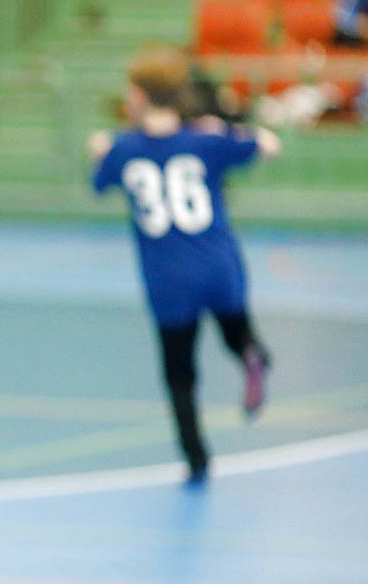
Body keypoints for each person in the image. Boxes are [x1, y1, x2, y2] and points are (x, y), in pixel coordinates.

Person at [90, 46, 280, 485]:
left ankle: (196, 456)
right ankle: (252, 353)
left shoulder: (123, 149)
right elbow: (269, 145)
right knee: (235, 330)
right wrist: (230, 128)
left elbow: (99, 182)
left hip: (167, 277)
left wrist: (98, 152)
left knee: (179, 370)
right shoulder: (205, 140)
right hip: (217, 264)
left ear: (137, 98)